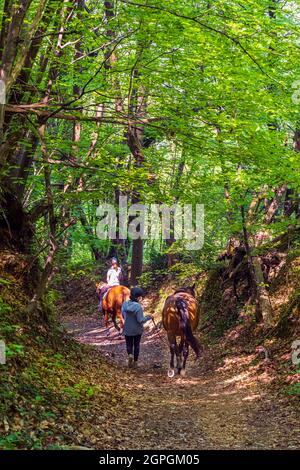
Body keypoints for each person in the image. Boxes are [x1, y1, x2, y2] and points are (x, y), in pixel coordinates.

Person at [121, 287, 153, 368]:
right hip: (137, 330)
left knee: (129, 344)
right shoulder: (138, 306)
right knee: (136, 345)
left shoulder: (124, 304)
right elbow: (140, 320)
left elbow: (123, 316)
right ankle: (135, 362)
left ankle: (130, 355)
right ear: (138, 297)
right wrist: (149, 317)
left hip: (127, 329)